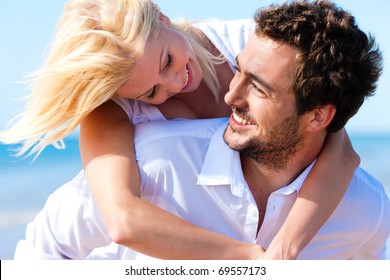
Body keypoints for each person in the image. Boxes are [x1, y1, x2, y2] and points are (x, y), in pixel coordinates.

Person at [14, 0, 389, 260]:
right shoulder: (112, 110)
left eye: (167, 60)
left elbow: (336, 146)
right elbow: (123, 219)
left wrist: (285, 249)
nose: (176, 82)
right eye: (151, 91)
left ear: (160, 17)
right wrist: (250, 260)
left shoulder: (248, 43)